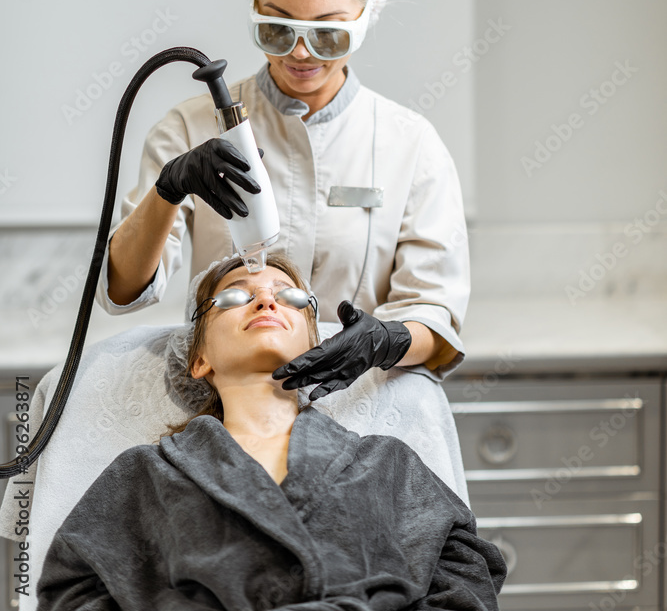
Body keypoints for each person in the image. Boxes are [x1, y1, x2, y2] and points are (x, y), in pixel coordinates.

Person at [95, 0, 470, 396]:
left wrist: (386, 340)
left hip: (356, 399)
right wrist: (167, 191)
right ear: (255, 10)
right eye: (277, 28)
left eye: (328, 35)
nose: (300, 52)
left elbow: (434, 314)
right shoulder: (189, 127)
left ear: (365, 19)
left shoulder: (411, 144)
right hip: (223, 407)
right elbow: (122, 292)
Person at [38, 255, 506, 611]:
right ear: (198, 360)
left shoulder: (387, 462)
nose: (266, 300)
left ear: (317, 343)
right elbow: (73, 589)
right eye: (235, 296)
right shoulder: (144, 474)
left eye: (291, 298)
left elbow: (465, 575)